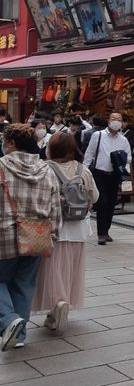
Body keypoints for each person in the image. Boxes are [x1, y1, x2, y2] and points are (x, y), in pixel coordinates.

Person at [0, 124, 62, 351]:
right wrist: (53, 234)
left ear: (12, 143)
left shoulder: (1, 166)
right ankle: (20, 334)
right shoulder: (46, 170)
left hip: (4, 235)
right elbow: (55, 208)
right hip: (37, 235)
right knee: (24, 284)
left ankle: (8, 321)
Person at [31, 132, 98, 332]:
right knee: (71, 270)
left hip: (53, 227)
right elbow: (95, 196)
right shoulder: (82, 169)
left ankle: (56, 306)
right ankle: (63, 304)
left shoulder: (44, 168)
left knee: (52, 270)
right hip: (78, 227)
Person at [83, 112, 132, 245]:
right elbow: (89, 154)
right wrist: (84, 171)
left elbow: (129, 157)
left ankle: (106, 230)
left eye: (119, 120)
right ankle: (101, 233)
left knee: (111, 203)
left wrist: (120, 158)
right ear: (108, 121)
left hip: (114, 175)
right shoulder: (98, 136)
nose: (116, 122)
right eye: (114, 119)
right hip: (100, 173)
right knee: (102, 202)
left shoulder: (123, 140)